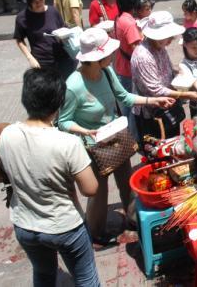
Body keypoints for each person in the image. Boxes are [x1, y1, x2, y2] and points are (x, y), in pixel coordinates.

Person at [58, 28, 174, 247]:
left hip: (117, 137)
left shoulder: (107, 72)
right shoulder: (73, 86)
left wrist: (153, 101)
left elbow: (124, 97)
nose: (113, 55)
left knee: (126, 182)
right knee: (99, 193)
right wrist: (86, 132)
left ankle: (132, 218)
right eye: (109, 53)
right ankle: (95, 232)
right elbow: (62, 121)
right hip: (93, 146)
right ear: (96, 58)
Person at [0, 68, 100, 286]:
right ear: (58, 104)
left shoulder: (5, 134)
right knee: (86, 278)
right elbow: (90, 188)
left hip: (25, 226)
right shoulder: (67, 143)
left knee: (43, 274)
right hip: (65, 227)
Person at [131, 11, 197, 138]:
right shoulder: (143, 56)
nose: (171, 40)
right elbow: (155, 89)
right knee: (158, 150)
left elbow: (167, 69)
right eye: (168, 36)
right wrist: (186, 94)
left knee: (173, 143)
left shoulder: (160, 47)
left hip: (167, 106)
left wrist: (178, 73)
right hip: (152, 112)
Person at [15, 0, 77, 80]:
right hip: (43, 63)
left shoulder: (53, 11)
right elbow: (19, 40)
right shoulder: (22, 18)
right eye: (36, 2)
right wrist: (30, 58)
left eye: (41, 0)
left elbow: (63, 28)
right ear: (29, 1)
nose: (40, 3)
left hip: (64, 59)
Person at [113, 0, 142, 102]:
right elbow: (137, 51)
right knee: (132, 108)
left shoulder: (119, 17)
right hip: (129, 72)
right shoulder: (129, 23)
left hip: (121, 67)